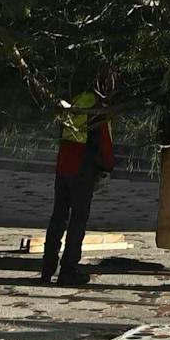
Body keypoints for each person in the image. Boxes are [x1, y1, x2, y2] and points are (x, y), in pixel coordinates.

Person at [41, 89, 114, 286]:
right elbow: (104, 142)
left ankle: (47, 268)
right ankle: (68, 270)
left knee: (58, 216)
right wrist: (107, 167)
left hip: (64, 160)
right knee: (78, 219)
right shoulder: (98, 105)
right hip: (82, 165)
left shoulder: (73, 97)